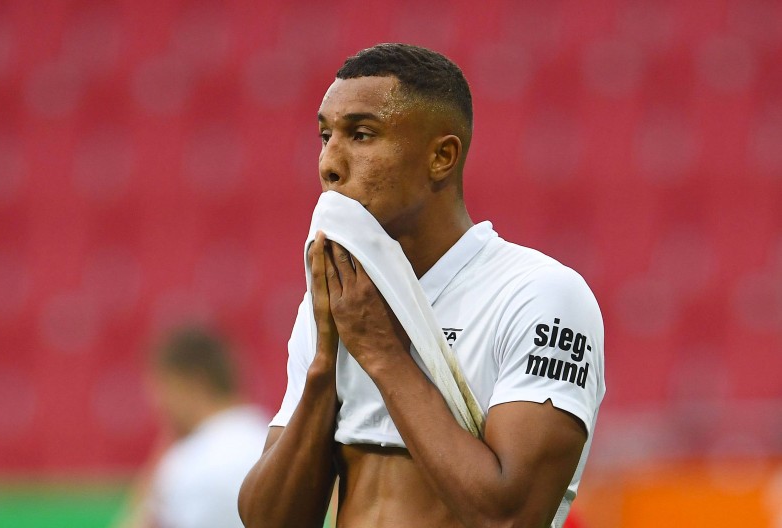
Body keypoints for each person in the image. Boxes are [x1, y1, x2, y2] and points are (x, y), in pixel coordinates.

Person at [238, 43, 605, 528]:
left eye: (361, 135)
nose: (329, 163)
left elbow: (509, 518)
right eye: (325, 136)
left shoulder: (537, 295)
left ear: (441, 157)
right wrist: (325, 367)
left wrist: (382, 353)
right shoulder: (338, 302)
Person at [118, 325, 269, 528]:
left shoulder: (185, 465)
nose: (157, 404)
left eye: (162, 388)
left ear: (192, 383)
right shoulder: (271, 437)